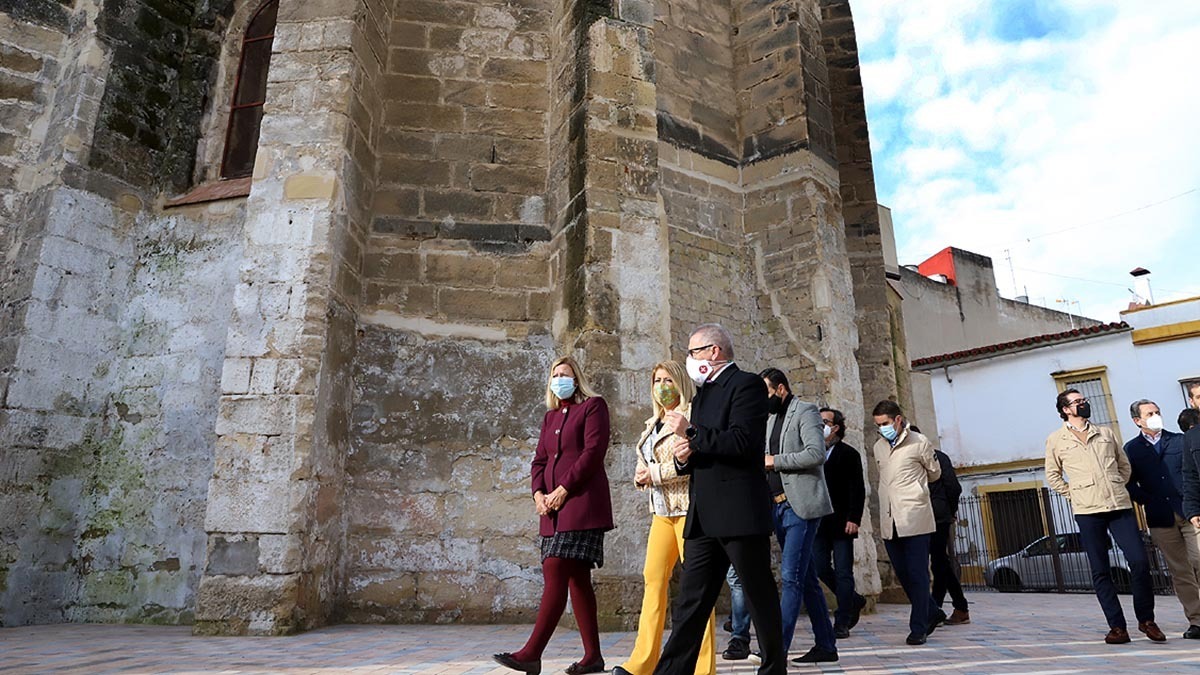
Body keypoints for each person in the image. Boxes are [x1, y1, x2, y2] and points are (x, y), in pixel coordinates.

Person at [653, 324, 785, 675]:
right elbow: (704, 447)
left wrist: (690, 432)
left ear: (714, 351)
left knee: (758, 595)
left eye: (694, 351)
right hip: (704, 513)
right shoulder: (703, 395)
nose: (690, 358)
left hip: (739, 510)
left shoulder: (746, 385)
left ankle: (774, 668)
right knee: (691, 601)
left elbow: (742, 443)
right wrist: (684, 456)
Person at [495, 356, 613, 675]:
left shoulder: (593, 406)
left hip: (581, 504)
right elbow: (539, 461)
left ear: (578, 377)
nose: (559, 379)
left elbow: (593, 453)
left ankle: (531, 653)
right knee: (576, 579)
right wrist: (538, 495)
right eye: (554, 375)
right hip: (550, 509)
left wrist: (562, 489)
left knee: (556, 567)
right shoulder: (550, 417)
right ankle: (593, 657)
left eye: (565, 374)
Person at [614, 362, 717, 675]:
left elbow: (691, 461)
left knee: (697, 589)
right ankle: (642, 662)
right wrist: (640, 475)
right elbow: (645, 462)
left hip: (690, 511)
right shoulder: (652, 422)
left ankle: (702, 667)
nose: (662, 386)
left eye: (668, 379)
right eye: (657, 380)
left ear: (680, 382)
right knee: (653, 581)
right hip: (661, 512)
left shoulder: (690, 417)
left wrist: (653, 474)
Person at [1045, 389, 1163, 644]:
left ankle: (1146, 620)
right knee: (1100, 570)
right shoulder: (1056, 440)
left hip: (1118, 506)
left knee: (1140, 562)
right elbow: (1053, 476)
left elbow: (1125, 466)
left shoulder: (1106, 433)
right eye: (1077, 402)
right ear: (1066, 409)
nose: (1084, 404)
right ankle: (1117, 627)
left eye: (1084, 400)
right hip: (1087, 512)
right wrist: (1074, 495)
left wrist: (1116, 485)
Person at [755, 369, 838, 664]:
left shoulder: (806, 411)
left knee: (790, 578)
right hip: (776, 506)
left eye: (765, 393)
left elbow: (816, 453)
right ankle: (827, 646)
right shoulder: (768, 419)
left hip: (800, 505)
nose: (762, 400)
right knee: (808, 579)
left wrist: (773, 462)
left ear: (780, 389)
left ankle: (776, 649)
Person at [1125, 399, 1200, 639]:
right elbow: (1128, 482)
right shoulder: (1132, 449)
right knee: (1180, 571)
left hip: (1189, 512)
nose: (1156, 415)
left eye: (1157, 411)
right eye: (1150, 413)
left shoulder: (1179, 440)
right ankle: (1197, 621)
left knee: (1199, 559)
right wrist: (1146, 499)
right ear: (1138, 420)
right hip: (1160, 517)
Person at [871, 400, 942, 646]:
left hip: (915, 516)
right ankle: (932, 611)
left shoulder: (919, 443)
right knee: (903, 573)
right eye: (878, 425)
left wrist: (915, 489)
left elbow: (935, 473)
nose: (882, 429)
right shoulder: (879, 447)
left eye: (885, 424)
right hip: (890, 519)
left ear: (898, 420)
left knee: (918, 574)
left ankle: (919, 627)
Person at [813, 407, 867, 639]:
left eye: (824, 421)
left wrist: (854, 518)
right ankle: (853, 599)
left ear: (835, 428)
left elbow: (857, 489)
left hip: (842, 521)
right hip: (818, 522)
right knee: (819, 566)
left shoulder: (848, 454)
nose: (820, 425)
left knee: (844, 571)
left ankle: (842, 619)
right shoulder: (812, 453)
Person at [926, 441, 969, 626]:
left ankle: (937, 609)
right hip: (935, 515)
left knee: (938, 562)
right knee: (940, 561)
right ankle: (957, 607)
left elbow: (954, 487)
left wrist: (949, 511)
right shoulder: (939, 456)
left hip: (935, 516)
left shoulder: (937, 457)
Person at [1183, 383, 1200, 531]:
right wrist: (1192, 509)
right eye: (1199, 397)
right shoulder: (1191, 437)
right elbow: (1190, 475)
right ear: (1192, 402)